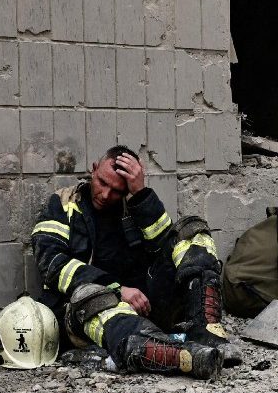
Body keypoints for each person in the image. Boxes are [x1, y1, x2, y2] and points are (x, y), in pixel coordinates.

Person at [31, 145, 241, 379]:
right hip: (89, 310)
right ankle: (181, 356)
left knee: (192, 232)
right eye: (102, 183)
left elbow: (166, 245)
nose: (106, 195)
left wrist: (140, 194)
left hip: (145, 307)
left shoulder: (132, 206)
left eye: (117, 191)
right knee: (93, 299)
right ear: (93, 170)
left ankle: (207, 333)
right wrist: (117, 289)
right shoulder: (62, 205)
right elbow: (52, 264)